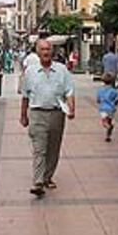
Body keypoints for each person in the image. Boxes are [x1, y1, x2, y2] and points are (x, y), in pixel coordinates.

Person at [20, 39, 75, 197]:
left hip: (57, 113)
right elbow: (25, 95)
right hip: (37, 113)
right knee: (39, 150)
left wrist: (72, 108)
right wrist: (23, 115)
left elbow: (69, 91)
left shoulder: (62, 70)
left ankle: (47, 177)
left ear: (53, 51)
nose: (46, 52)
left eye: (48, 49)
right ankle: (38, 182)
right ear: (38, 52)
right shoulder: (30, 71)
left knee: (53, 149)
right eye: (43, 49)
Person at [97, 72, 118, 142]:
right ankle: (108, 136)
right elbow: (116, 101)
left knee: (104, 121)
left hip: (103, 108)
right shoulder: (114, 91)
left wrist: (100, 102)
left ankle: (108, 127)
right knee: (109, 121)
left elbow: (98, 100)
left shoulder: (100, 90)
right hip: (111, 109)